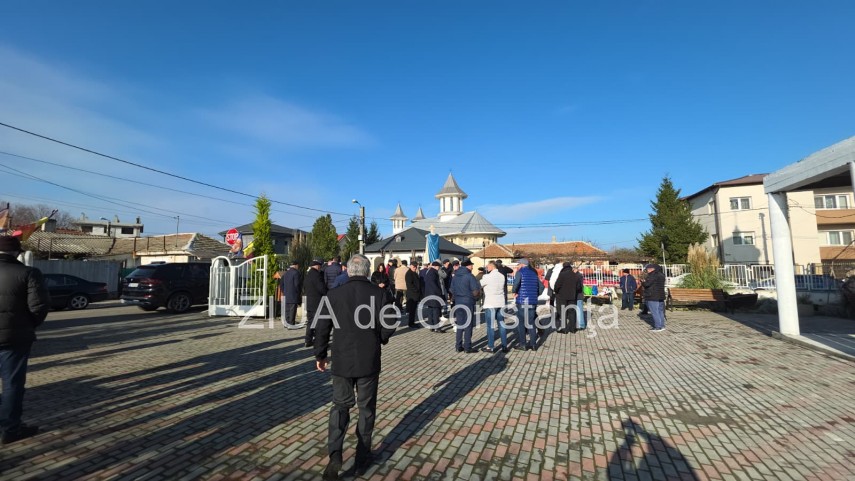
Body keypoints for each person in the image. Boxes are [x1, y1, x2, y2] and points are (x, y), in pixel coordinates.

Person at [314, 254, 396, 480]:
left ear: (348, 271)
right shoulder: (379, 294)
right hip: (368, 359)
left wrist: (320, 355)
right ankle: (362, 457)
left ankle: (335, 455)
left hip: (342, 360)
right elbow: (390, 323)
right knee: (366, 408)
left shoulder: (333, 294)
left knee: (340, 407)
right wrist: (380, 337)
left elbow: (322, 327)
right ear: (367, 272)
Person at [0, 236, 49, 444]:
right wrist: (27, 326)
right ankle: (10, 429)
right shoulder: (28, 273)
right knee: (12, 385)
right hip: (15, 339)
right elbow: (39, 307)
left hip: (15, 337)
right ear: (17, 253)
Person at [449, 259, 481, 353]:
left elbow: (451, 290)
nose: (472, 267)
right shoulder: (470, 276)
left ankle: (458, 346)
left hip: (458, 302)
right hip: (468, 302)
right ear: (467, 266)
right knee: (468, 325)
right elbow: (475, 291)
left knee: (460, 324)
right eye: (471, 265)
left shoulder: (455, 276)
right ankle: (467, 347)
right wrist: (477, 298)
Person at [512, 259, 543, 350]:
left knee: (521, 323)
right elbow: (541, 287)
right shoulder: (534, 273)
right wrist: (535, 295)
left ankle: (523, 344)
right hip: (532, 302)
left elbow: (516, 283)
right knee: (531, 323)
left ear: (522, 264)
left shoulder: (520, 272)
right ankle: (533, 345)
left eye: (519, 264)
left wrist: (514, 291)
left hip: (522, 301)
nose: (518, 266)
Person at [480, 261, 509, 352]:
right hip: (500, 302)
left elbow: (479, 284)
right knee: (501, 324)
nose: (486, 268)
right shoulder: (502, 276)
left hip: (490, 303)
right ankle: (504, 346)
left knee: (490, 326)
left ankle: (491, 346)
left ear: (492, 266)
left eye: (487, 266)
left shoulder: (487, 277)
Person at [553, 262, 584, 334]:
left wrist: (557, 291)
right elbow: (579, 287)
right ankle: (572, 329)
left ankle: (564, 329)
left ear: (564, 267)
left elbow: (557, 285)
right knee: (572, 311)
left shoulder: (562, 274)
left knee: (563, 312)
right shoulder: (575, 275)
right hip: (572, 296)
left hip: (562, 296)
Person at [304, 258, 328, 347]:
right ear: (317, 266)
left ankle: (308, 340)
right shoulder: (317, 275)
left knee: (310, 322)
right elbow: (321, 288)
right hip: (317, 303)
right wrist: (327, 293)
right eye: (320, 266)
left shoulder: (308, 275)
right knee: (318, 323)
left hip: (309, 302)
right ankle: (319, 341)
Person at [642, 264, 667, 331]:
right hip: (660, 296)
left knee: (654, 312)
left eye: (647, 269)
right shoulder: (661, 275)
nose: (647, 270)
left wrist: (643, 282)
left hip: (652, 296)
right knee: (660, 311)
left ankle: (657, 327)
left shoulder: (652, 275)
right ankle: (662, 326)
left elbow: (647, 284)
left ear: (651, 269)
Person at [422, 261, 444, 332]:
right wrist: (439, 292)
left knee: (430, 310)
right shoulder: (433, 272)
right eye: (438, 267)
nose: (439, 268)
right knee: (436, 311)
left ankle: (431, 326)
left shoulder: (428, 272)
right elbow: (434, 284)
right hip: (434, 295)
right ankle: (437, 327)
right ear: (436, 266)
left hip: (428, 294)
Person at [281, 261, 303, 327]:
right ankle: (291, 323)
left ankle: (286, 322)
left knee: (287, 310)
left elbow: (282, 284)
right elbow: (297, 284)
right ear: (296, 265)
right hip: (293, 294)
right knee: (292, 310)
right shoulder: (296, 273)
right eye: (298, 266)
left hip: (286, 294)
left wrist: (284, 291)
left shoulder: (286, 273)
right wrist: (299, 292)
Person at [404, 262, 422, 328]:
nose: (415, 268)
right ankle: (411, 323)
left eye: (416, 267)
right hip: (412, 295)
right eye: (414, 267)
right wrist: (416, 289)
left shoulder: (414, 273)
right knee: (412, 310)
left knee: (413, 310)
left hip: (415, 294)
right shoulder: (409, 274)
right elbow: (409, 285)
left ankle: (412, 322)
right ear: (410, 266)